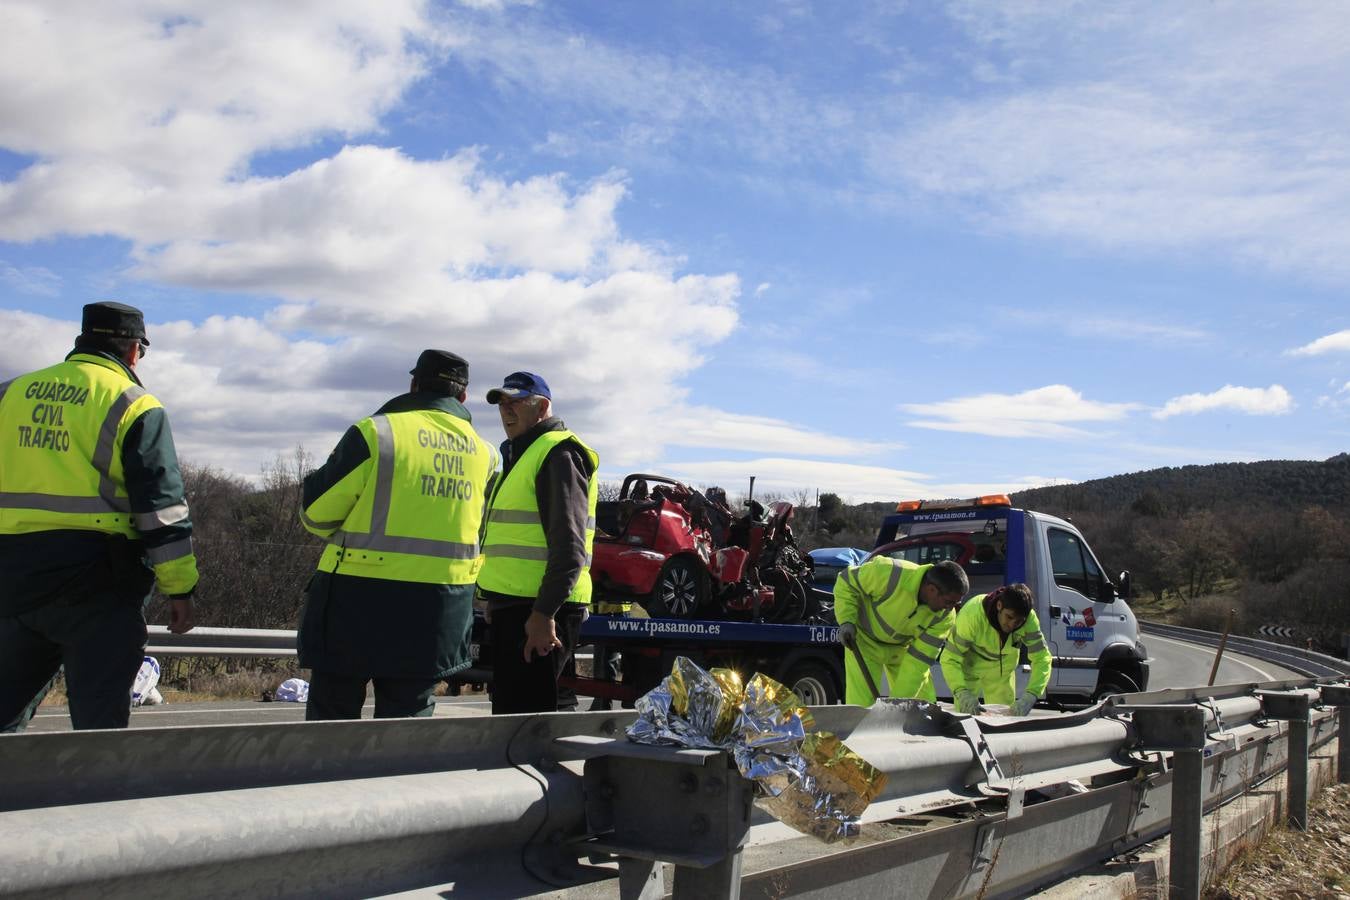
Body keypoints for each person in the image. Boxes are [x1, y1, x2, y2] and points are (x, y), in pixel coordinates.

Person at [0, 301, 197, 732]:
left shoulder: (11, 393)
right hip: (98, 585)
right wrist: (179, 589)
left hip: (12, 579)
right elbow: (162, 510)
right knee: (98, 727)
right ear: (133, 351)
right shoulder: (133, 403)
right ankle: (92, 799)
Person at [297, 350, 498, 720]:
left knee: (330, 724)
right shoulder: (486, 455)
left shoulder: (377, 432)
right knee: (407, 729)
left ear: (414, 384)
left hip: (356, 598)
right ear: (463, 397)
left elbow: (315, 515)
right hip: (440, 607)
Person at [477, 372, 598, 714]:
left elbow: (569, 547)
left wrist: (544, 614)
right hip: (517, 606)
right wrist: (493, 598)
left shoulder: (557, 454)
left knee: (523, 723)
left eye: (516, 402)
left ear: (542, 407)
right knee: (518, 715)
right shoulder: (521, 456)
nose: (506, 411)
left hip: (540, 609)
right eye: (502, 404)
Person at [832, 557, 968, 705]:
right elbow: (847, 582)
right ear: (931, 590)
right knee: (862, 704)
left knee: (920, 704)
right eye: (949, 602)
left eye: (956, 603)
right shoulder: (889, 573)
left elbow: (919, 662)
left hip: (903, 648)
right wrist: (846, 620)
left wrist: (898, 705)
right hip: (865, 640)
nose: (950, 608)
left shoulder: (945, 617)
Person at [942, 583, 1052, 716]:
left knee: (1004, 721)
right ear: (999, 606)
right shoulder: (973, 615)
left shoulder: (1029, 620)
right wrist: (961, 692)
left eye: (1019, 621)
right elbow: (950, 658)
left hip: (1002, 672)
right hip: (969, 668)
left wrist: (1032, 694)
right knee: (965, 716)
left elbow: (1042, 658)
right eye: (1009, 617)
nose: (1012, 625)